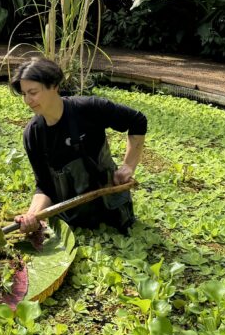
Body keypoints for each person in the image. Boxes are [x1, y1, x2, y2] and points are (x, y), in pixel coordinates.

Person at [11, 58, 145, 234]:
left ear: (54, 85)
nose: (28, 100)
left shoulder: (90, 108)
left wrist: (128, 166)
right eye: (24, 94)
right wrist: (32, 215)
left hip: (113, 211)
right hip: (73, 221)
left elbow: (137, 121)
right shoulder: (33, 134)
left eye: (33, 92)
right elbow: (44, 186)